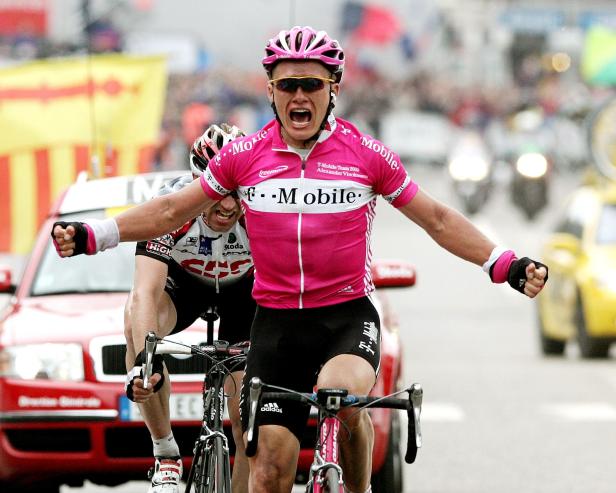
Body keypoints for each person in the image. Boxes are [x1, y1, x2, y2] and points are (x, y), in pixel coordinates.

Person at [52, 26, 548, 493]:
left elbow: (437, 219)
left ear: (333, 87)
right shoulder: (245, 158)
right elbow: (168, 210)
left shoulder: (365, 155)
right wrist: (94, 232)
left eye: (311, 83)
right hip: (277, 326)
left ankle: (359, 486)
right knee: (268, 470)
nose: (299, 96)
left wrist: (504, 264)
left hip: (345, 317)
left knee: (341, 398)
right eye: (287, 84)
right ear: (270, 89)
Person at [123, 123, 254, 493]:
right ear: (198, 185)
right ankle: (165, 453)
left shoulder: (258, 213)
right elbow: (145, 292)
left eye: (237, 193)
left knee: (246, 427)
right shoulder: (170, 210)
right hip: (183, 288)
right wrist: (142, 367)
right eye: (217, 193)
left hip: (242, 293)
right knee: (134, 321)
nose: (228, 206)